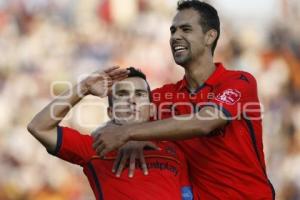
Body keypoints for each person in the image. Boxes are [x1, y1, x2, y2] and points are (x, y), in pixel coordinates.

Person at [92, 1, 276, 199]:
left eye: (186, 29)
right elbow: (118, 124)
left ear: (210, 36)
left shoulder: (239, 81)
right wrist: (85, 90)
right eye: (173, 31)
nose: (175, 37)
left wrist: (129, 133)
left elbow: (204, 122)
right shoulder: (163, 96)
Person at [27, 66, 193, 200]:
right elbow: (39, 127)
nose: (132, 100)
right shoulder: (95, 147)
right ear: (111, 112)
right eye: (122, 94)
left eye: (140, 94)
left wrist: (134, 134)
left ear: (151, 109)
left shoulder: (175, 150)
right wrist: (84, 87)